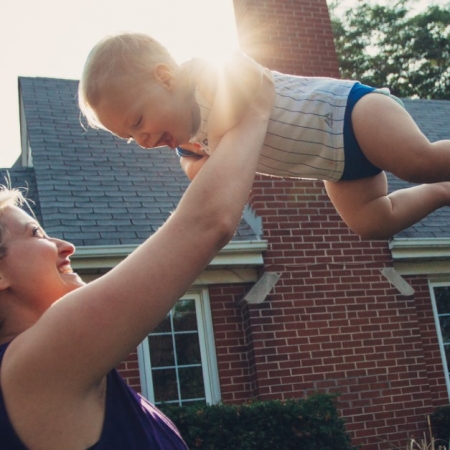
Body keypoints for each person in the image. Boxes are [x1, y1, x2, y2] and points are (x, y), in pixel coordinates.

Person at [0, 71, 274, 449]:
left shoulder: (55, 371)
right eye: (36, 234)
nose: (66, 246)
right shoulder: (31, 368)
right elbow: (207, 223)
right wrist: (258, 103)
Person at [78, 32, 450, 241]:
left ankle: (437, 176)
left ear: (165, 77)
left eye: (138, 120)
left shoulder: (206, 76)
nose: (142, 138)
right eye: (129, 136)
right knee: (372, 223)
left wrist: (221, 141)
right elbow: (207, 180)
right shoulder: (188, 144)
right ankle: (444, 192)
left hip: (350, 113)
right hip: (337, 166)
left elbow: (247, 75)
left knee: (420, 162)